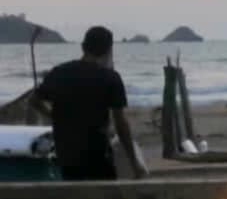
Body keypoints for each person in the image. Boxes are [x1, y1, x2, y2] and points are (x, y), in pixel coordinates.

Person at [30, 26, 147, 180]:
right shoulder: (110, 78)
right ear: (109, 50)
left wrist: (54, 116)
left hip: (67, 155)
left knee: (75, 198)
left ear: (83, 47)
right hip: (97, 157)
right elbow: (121, 124)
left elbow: (34, 100)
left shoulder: (59, 72)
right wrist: (134, 163)